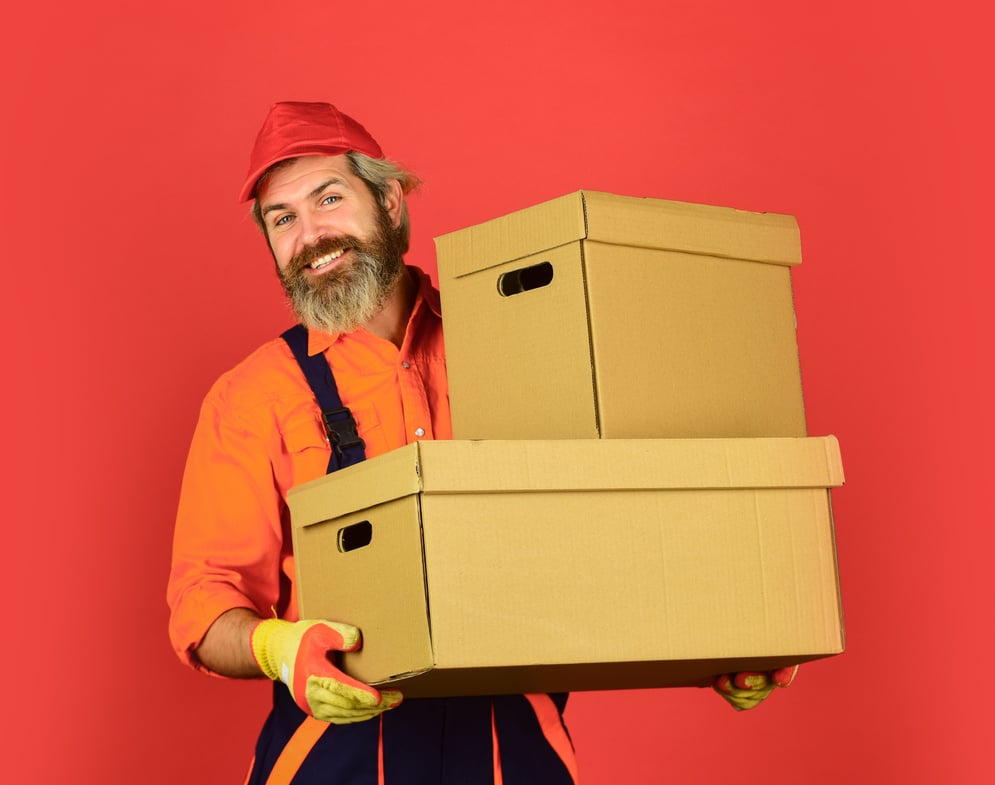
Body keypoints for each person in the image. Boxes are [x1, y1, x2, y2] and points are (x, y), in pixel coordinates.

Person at [167, 101, 795, 785]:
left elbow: (623, 513)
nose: (310, 235)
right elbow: (204, 600)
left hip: (514, 755)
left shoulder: (518, 343)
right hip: (334, 757)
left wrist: (732, 634)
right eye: (282, 218)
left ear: (390, 201)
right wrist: (278, 645)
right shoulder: (253, 396)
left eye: (329, 198)